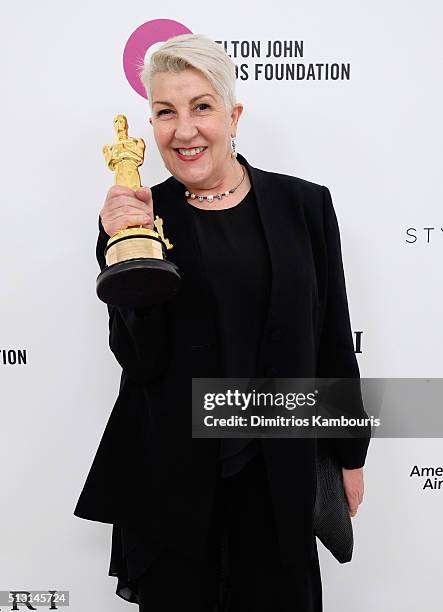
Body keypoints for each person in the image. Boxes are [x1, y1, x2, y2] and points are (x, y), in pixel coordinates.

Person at [74, 34, 370, 611]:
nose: (184, 131)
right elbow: (140, 359)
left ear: (232, 116)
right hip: (174, 481)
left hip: (279, 473)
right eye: (165, 112)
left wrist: (348, 455)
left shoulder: (304, 206)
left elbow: (333, 335)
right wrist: (126, 249)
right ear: (150, 126)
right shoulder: (137, 219)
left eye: (201, 107)